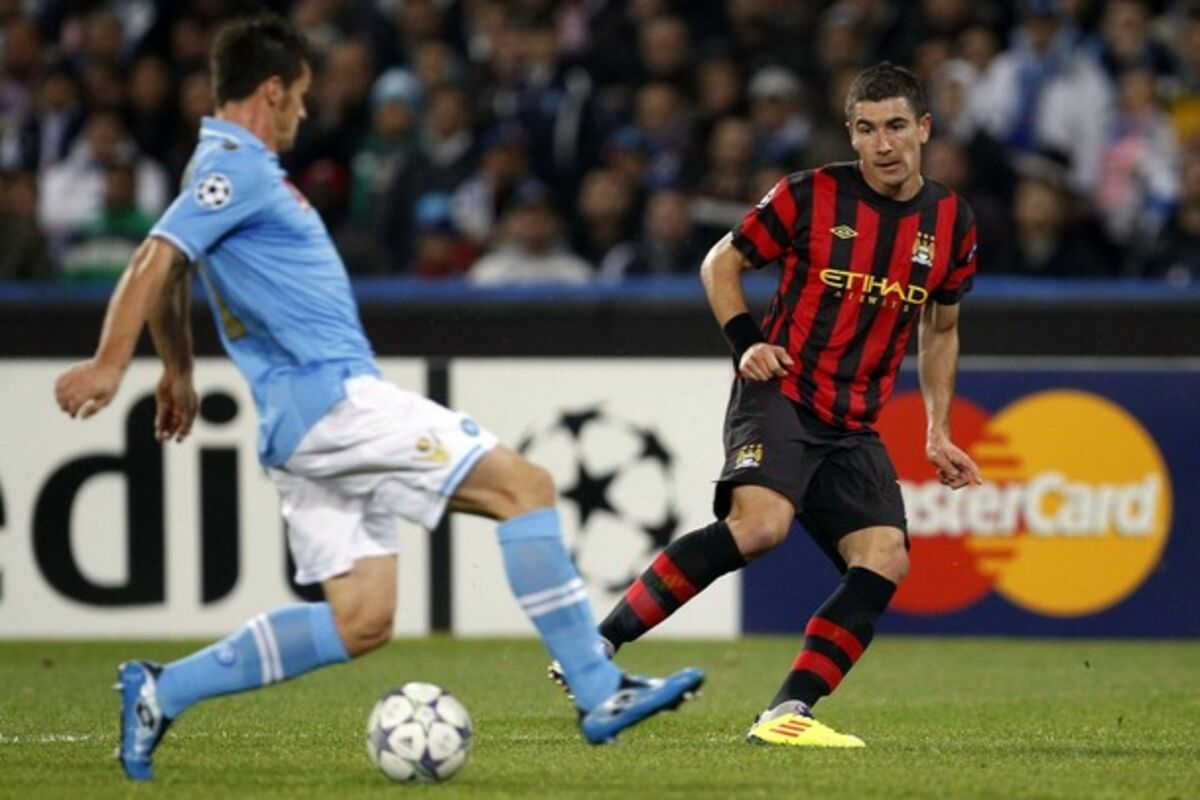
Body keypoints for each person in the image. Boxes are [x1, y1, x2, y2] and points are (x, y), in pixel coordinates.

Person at [52, 15, 702, 782]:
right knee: (524, 487)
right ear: (272, 91)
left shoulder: (219, 170)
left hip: (299, 424)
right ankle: (598, 689)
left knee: (362, 619)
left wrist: (179, 369)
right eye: (299, 97)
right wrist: (111, 363)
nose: (303, 113)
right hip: (334, 402)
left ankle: (162, 691)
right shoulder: (235, 166)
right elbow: (155, 257)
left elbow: (176, 268)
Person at [552, 62, 982, 747]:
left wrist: (938, 429)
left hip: (853, 421)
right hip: (781, 389)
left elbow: (942, 327)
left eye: (897, 126)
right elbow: (720, 263)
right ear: (851, 134)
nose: (883, 144)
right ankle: (595, 648)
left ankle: (788, 712)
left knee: (885, 557)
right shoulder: (810, 195)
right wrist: (746, 341)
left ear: (924, 128)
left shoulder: (952, 222)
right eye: (867, 129)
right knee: (760, 527)